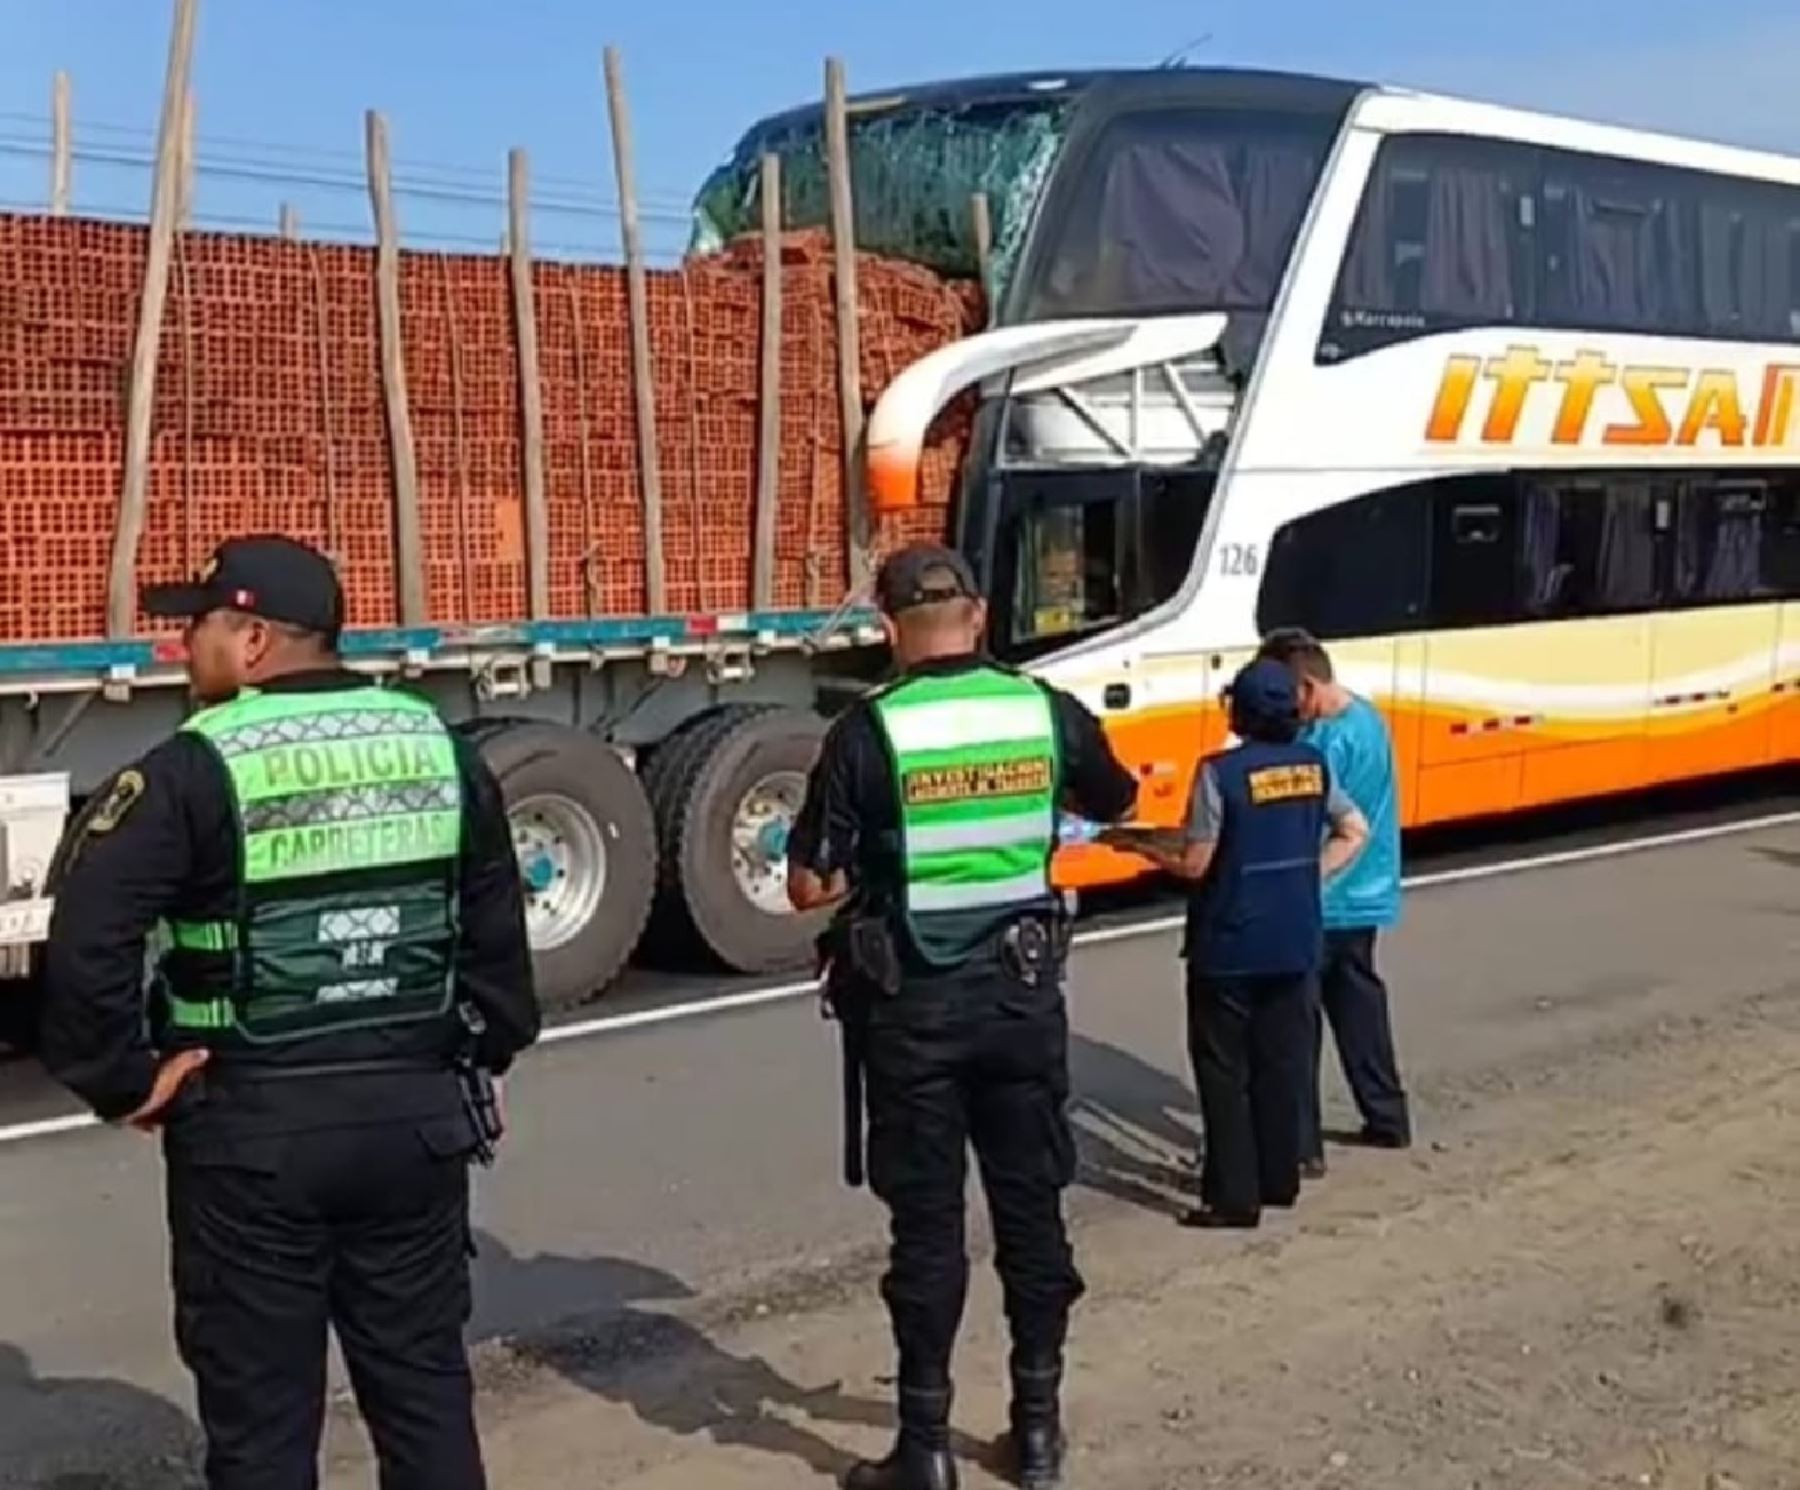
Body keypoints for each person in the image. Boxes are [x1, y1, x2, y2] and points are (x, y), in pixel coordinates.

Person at [39, 535, 541, 1490]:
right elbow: (492, 925)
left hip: (251, 1131)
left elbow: (88, 938)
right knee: (425, 1396)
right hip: (414, 1123)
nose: (184, 649)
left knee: (264, 1427)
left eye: (199, 628)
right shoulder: (440, 746)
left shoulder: (191, 765)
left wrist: (125, 1083)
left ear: (255, 638)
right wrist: (483, 1055)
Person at [787, 542, 1136, 1490]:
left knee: (928, 1233)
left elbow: (807, 885)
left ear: (888, 628)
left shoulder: (868, 732)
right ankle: (1036, 1435)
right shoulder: (1043, 712)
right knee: (1033, 1215)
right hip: (1023, 1001)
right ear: (979, 616)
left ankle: (926, 1447)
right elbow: (1114, 799)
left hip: (912, 1010)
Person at [1123, 658, 1367, 1229]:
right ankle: (1279, 1177)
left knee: (1224, 1071)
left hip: (1229, 944)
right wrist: (1308, 876)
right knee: (1280, 1062)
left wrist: (1138, 846)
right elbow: (1354, 829)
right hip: (1295, 936)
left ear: (1240, 711)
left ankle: (1234, 1197)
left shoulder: (1220, 773)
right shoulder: (1313, 765)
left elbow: (1196, 861)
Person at [1258, 628, 1413, 1168]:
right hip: (1368, 892)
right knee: (1361, 1010)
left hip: (1321, 896)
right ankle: (1387, 1114)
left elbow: (1305, 819)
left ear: (1305, 685)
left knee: (1296, 1026)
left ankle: (1301, 1147)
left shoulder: (1321, 744)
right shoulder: (1370, 718)